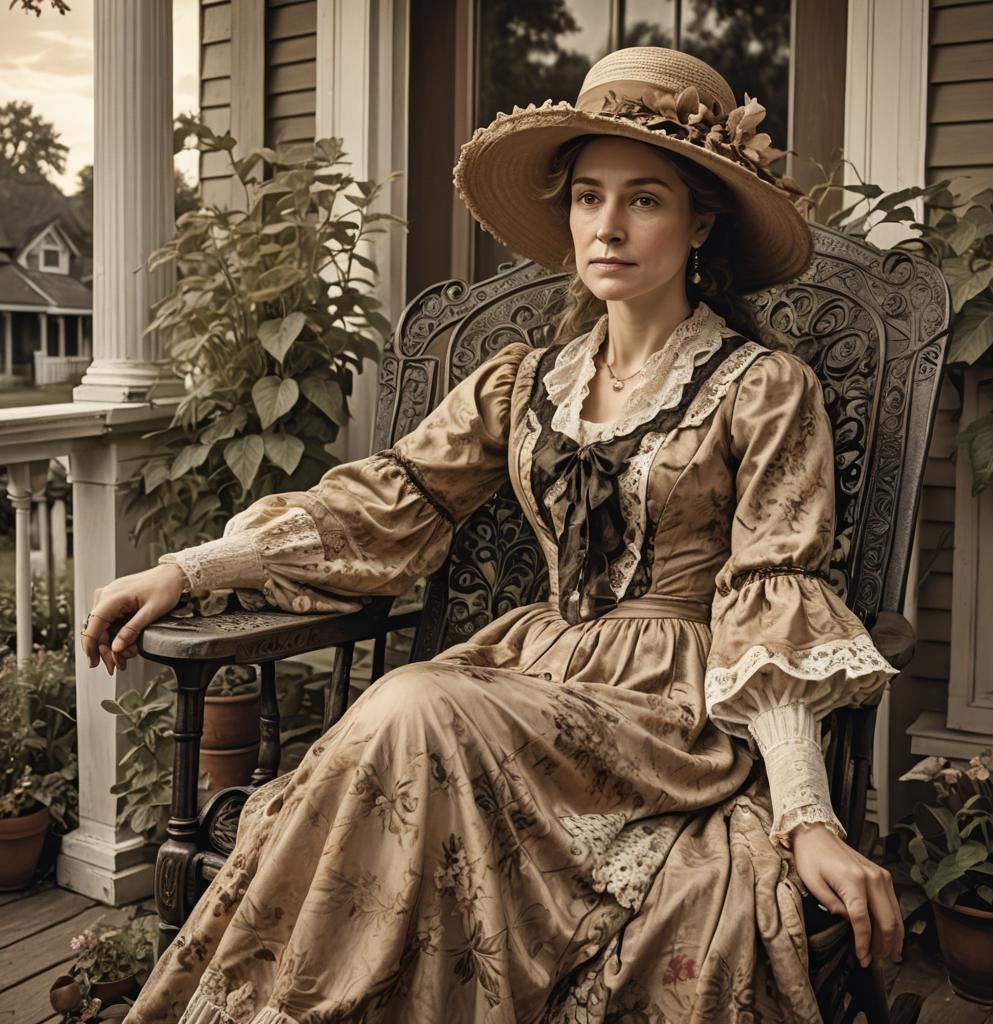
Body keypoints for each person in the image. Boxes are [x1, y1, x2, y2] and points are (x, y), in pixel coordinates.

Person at [83, 47, 904, 1024]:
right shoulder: (523, 381)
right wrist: (190, 567)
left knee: (415, 702)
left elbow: (776, 592)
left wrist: (807, 815)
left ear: (699, 222)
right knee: (415, 712)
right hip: (536, 678)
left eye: (643, 199)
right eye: (588, 197)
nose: (607, 225)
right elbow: (389, 499)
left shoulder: (764, 388)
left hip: (669, 710)